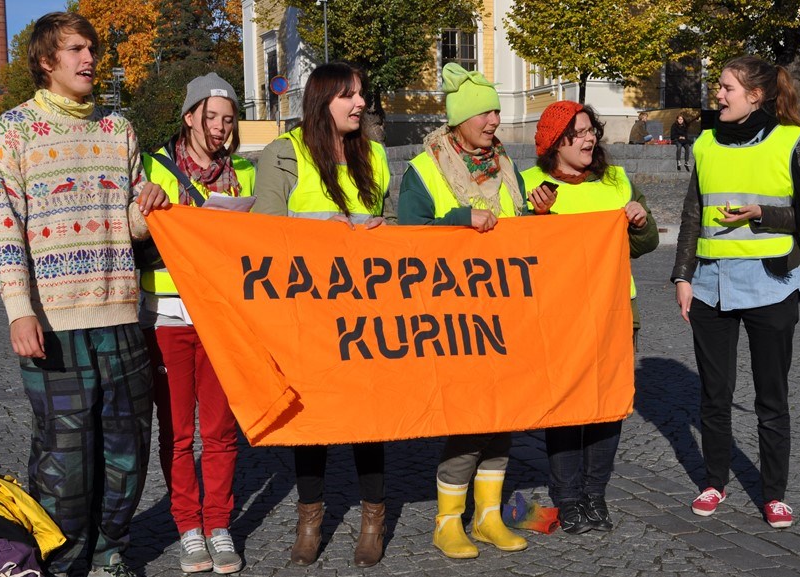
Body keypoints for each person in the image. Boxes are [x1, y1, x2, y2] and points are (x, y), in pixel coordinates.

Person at [0, 12, 170, 577]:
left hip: (121, 318)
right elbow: (2, 224)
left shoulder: (120, 131)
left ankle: (112, 553)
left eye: (92, 49)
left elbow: (131, 225)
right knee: (63, 462)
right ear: (47, 62)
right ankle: (63, 562)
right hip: (54, 325)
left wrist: (150, 204)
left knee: (127, 453)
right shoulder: (12, 131)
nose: (90, 59)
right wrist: (20, 312)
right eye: (76, 50)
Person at [671, 55, 800, 529]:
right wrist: (683, 276)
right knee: (714, 395)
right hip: (711, 287)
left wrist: (760, 213)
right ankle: (714, 481)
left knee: (771, 398)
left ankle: (773, 494)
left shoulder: (793, 140)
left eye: (727, 87)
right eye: (719, 86)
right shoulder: (706, 142)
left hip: (772, 286)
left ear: (755, 95)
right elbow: (693, 213)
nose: (718, 93)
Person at [399, 62, 556, 559]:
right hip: (454, 319)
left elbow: (515, 230)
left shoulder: (505, 163)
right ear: (460, 119)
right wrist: (461, 218)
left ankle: (488, 515)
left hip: (505, 314)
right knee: (468, 420)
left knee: (502, 416)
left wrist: (538, 214)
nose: (494, 120)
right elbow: (409, 234)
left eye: (496, 111)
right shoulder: (426, 168)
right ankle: (448, 522)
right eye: (486, 112)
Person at [252, 62, 392, 568]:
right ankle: (310, 519)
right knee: (310, 420)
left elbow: (395, 229)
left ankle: (373, 519)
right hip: (304, 315)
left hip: (365, 313)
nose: (359, 104)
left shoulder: (375, 155)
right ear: (321, 101)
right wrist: (318, 227)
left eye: (361, 94)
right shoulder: (282, 153)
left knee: (368, 418)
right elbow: (263, 230)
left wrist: (383, 230)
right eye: (347, 96)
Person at [520, 101, 658, 534]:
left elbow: (644, 244)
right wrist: (534, 219)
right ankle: (568, 499)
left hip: (616, 315)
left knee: (606, 409)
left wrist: (640, 221)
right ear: (554, 142)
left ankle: (595, 496)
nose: (589, 137)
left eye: (591, 129)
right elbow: (519, 256)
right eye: (577, 132)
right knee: (566, 411)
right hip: (559, 320)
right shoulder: (529, 185)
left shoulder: (616, 181)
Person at [139, 72, 255, 575]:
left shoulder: (243, 174)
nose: (222, 128)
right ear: (190, 118)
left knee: (222, 429)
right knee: (179, 432)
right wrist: (151, 211)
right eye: (213, 118)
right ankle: (188, 525)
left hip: (221, 315)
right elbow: (135, 244)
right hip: (166, 314)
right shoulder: (151, 168)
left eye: (229, 120)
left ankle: (219, 524)